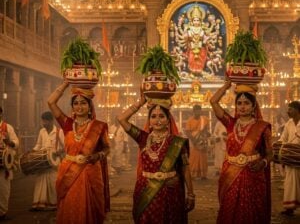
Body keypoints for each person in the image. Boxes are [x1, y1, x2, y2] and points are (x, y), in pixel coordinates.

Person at [117, 92, 195, 223]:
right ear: (149, 121)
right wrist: (140, 103)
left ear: (168, 120)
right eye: (153, 116)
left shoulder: (177, 142)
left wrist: (191, 194)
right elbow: (122, 119)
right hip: (146, 191)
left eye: (161, 116)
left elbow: (185, 168)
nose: (157, 120)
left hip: (170, 193)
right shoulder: (142, 138)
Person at [210, 81, 273, 224]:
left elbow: (270, 153)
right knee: (230, 208)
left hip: (253, 175)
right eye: (239, 103)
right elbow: (213, 101)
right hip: (231, 175)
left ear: (253, 107)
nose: (242, 106)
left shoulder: (262, 127)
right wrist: (227, 85)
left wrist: (263, 163)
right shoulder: (230, 123)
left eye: (246, 103)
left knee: (251, 212)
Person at [47, 81, 110, 224]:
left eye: (83, 103)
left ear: (90, 107)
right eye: (76, 103)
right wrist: (66, 83)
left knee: (92, 209)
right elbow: (51, 102)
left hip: (91, 171)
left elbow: (107, 148)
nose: (79, 106)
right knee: (70, 206)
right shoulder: (67, 124)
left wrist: (97, 155)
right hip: (69, 172)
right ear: (72, 107)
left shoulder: (99, 126)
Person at [30, 111, 64, 211]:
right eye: (43, 121)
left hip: (54, 162)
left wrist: (57, 153)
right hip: (42, 161)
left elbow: (66, 147)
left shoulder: (59, 132)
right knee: (40, 182)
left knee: (53, 183)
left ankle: (53, 204)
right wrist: (33, 152)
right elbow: (38, 145)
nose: (44, 123)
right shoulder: (42, 131)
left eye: (46, 121)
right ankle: (39, 204)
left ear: (51, 121)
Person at [279, 100, 300, 216]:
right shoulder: (288, 124)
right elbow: (283, 139)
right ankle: (290, 207)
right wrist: (280, 148)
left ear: (297, 110)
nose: (288, 111)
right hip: (292, 160)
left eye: (290, 109)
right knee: (290, 183)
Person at [0, 106, 19, 220]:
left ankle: (2, 212)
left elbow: (16, 143)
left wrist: (9, 142)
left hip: (4, 163)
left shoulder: (7, 127)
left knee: (3, 188)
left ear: (1, 114)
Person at [185, 104, 210, 180]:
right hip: (194, 141)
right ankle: (193, 174)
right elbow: (187, 132)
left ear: (201, 111)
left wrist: (206, 135)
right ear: (193, 111)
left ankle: (203, 175)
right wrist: (194, 140)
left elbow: (205, 129)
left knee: (203, 157)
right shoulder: (190, 120)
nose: (198, 112)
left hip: (202, 140)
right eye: (196, 111)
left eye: (199, 110)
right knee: (194, 157)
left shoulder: (204, 119)